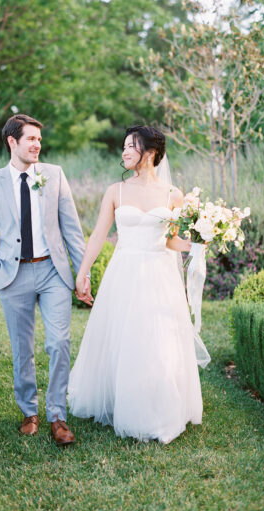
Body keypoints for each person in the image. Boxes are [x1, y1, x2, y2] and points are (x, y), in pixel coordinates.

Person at [68, 125, 210, 444]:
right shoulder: (115, 192)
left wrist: (201, 242)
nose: (124, 152)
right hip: (126, 271)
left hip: (160, 274)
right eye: (123, 147)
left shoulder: (173, 195)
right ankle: (124, 398)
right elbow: (98, 235)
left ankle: (158, 405)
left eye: (131, 146)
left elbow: (173, 242)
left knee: (159, 340)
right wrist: (83, 271)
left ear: (150, 151)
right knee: (125, 335)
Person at [0, 114, 92, 446]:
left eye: (39, 139)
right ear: (12, 142)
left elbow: (72, 229)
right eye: (30, 139)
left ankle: (57, 416)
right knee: (21, 349)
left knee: (58, 343)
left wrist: (82, 273)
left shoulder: (54, 175)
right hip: (12, 277)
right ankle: (30, 412)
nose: (37, 144)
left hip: (53, 272)